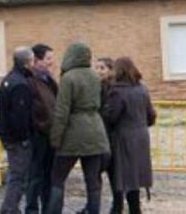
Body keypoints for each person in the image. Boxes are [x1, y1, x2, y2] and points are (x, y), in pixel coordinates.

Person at [47, 42, 110, 214]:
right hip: (95, 130)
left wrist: (55, 138)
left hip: (73, 133)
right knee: (93, 181)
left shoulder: (68, 78)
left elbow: (62, 111)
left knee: (58, 179)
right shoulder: (95, 76)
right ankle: (93, 210)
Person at [102, 58, 156, 214]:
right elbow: (151, 115)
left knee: (121, 174)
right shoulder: (142, 89)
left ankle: (122, 208)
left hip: (123, 136)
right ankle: (134, 208)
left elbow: (112, 116)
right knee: (135, 175)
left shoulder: (117, 91)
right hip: (141, 136)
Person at [0, 47, 36, 214]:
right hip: (17, 139)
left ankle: (10, 208)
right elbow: (19, 116)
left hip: (7, 135)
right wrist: (25, 137)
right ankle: (10, 208)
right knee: (19, 176)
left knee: (17, 174)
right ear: (27, 63)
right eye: (33, 61)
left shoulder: (8, 80)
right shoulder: (20, 84)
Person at [26, 44, 59, 214]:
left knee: (48, 176)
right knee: (35, 176)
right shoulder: (30, 81)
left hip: (50, 136)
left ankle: (47, 208)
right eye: (48, 59)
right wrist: (41, 126)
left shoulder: (49, 80)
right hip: (38, 136)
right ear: (37, 61)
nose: (51, 63)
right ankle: (32, 209)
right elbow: (34, 110)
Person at [94, 57, 119, 213]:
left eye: (102, 68)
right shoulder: (97, 86)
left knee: (114, 173)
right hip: (98, 136)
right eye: (96, 68)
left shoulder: (114, 89)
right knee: (95, 173)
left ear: (110, 70)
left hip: (111, 136)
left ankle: (117, 204)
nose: (98, 71)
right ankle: (93, 204)